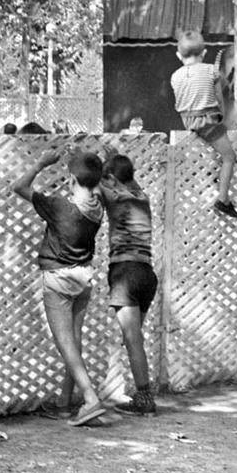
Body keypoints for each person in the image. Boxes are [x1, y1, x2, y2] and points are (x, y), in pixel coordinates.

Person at [11, 147, 107, 427]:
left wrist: (40, 162)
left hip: (57, 280)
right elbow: (95, 179)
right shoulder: (97, 209)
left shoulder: (60, 207)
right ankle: (65, 403)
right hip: (83, 277)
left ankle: (90, 399)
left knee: (65, 344)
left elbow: (19, 186)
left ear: (72, 181)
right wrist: (94, 162)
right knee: (74, 343)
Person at [97, 146, 159, 415]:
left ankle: (145, 399)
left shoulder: (114, 198)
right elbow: (126, 180)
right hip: (147, 274)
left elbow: (92, 182)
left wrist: (102, 169)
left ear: (112, 178)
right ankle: (142, 393)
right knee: (136, 339)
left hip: (125, 272)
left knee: (133, 339)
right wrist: (118, 162)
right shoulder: (141, 197)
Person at [170, 31, 237, 218]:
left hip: (187, 119)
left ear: (179, 55)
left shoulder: (175, 76)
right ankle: (223, 199)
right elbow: (218, 98)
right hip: (206, 119)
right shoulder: (211, 70)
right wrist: (222, 117)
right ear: (204, 52)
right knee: (229, 157)